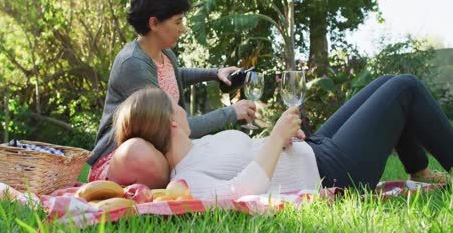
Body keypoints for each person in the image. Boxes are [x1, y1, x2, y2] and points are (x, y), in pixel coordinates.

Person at [112, 74, 452, 199]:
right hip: (333, 171)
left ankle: (418, 169)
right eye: (174, 103)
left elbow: (255, 158)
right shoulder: (182, 182)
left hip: (314, 150)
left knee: (386, 83)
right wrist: (275, 138)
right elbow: (240, 193)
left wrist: (283, 138)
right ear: (170, 121)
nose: (181, 106)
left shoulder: (199, 145)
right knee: (404, 88)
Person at [87, 0, 256, 188]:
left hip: (165, 149)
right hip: (123, 158)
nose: (182, 29)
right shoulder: (133, 64)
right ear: (154, 23)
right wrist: (231, 113)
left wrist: (215, 73)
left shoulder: (165, 53)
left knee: (225, 150)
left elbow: (175, 77)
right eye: (177, 22)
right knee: (205, 157)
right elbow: (170, 128)